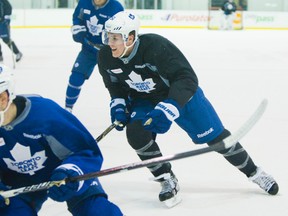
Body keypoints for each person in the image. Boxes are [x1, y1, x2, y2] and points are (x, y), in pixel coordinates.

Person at [97, 11, 279, 207]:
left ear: (130, 37)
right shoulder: (105, 56)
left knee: (216, 137)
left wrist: (169, 107)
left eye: (115, 38)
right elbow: (115, 86)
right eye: (109, 37)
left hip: (179, 95)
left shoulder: (156, 47)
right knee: (136, 134)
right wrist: (119, 106)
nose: (110, 42)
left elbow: (186, 78)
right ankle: (166, 178)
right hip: (145, 99)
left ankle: (254, 172)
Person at [0, 64, 123, 215]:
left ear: (4, 97)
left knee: (97, 211)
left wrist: (71, 172)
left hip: (63, 173)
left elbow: (85, 151)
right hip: (15, 183)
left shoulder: (44, 114)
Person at [65, 0, 124, 112]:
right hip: (88, 50)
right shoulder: (84, 2)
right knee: (75, 78)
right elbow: (77, 17)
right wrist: (78, 29)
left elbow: (121, 29)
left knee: (120, 81)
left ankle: (125, 108)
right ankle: (68, 109)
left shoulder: (116, 7)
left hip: (109, 52)